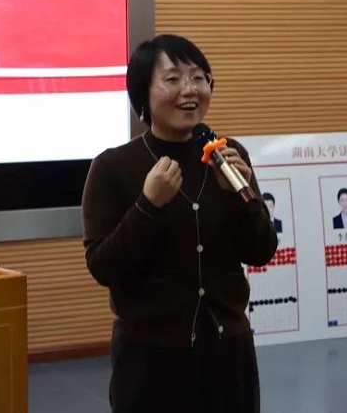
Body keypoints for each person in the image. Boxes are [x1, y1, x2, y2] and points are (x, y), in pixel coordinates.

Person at [81, 34, 278, 412]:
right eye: (172, 79)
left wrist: (239, 199)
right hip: (151, 359)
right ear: (143, 93)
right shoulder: (113, 167)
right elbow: (103, 266)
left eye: (199, 78)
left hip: (228, 352)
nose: (189, 89)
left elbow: (261, 250)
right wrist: (147, 206)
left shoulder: (228, 155)